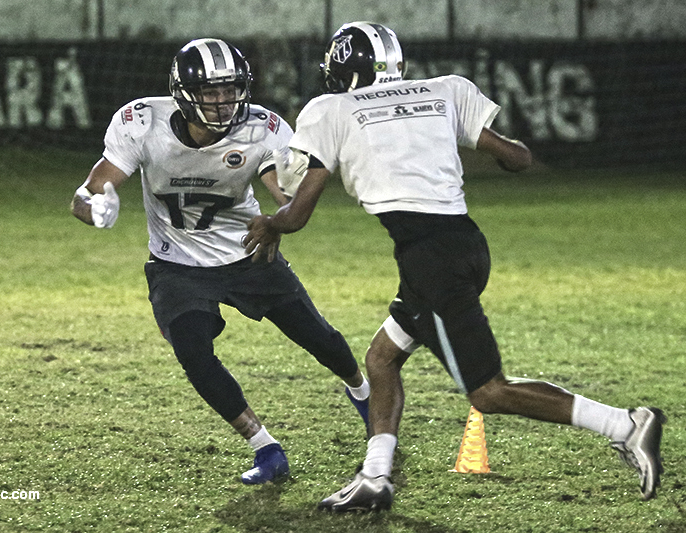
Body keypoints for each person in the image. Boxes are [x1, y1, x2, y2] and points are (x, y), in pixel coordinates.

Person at [244, 22, 666, 510]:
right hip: (465, 247)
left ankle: (626, 424)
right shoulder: (443, 90)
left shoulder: (331, 108)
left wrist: (272, 223)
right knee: (382, 359)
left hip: (431, 260)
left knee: (487, 391)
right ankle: (375, 478)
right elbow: (518, 158)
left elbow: (298, 212)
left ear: (344, 69)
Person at [71, 38, 370, 485]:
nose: (223, 101)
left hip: (249, 253)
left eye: (230, 90)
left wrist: (278, 219)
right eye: (211, 92)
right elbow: (88, 190)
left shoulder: (261, 129)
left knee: (320, 339)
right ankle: (265, 448)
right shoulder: (141, 122)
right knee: (193, 352)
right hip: (177, 265)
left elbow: (285, 196)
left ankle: (365, 396)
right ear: (184, 92)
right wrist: (94, 209)